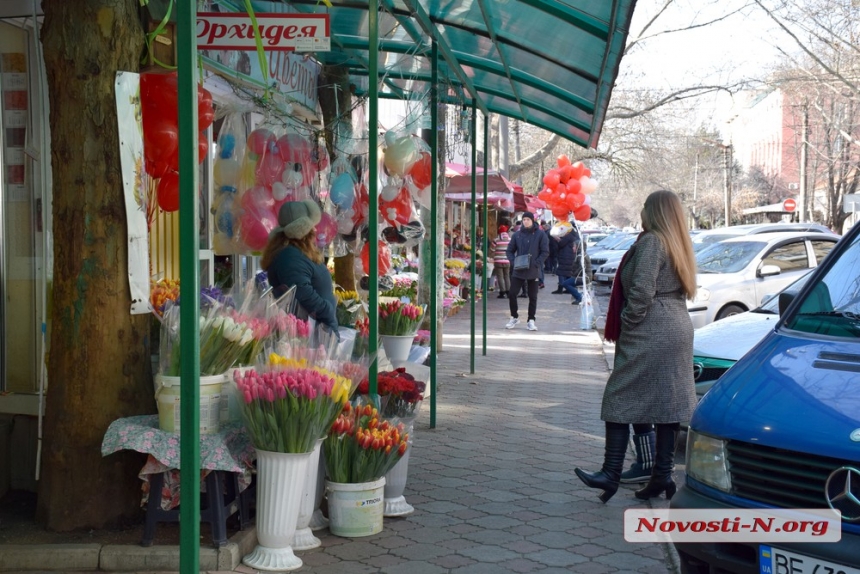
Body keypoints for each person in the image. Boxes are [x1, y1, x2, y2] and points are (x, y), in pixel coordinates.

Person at [574, 190, 697, 502]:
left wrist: (628, 321)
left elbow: (641, 290)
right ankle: (662, 477)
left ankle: (610, 474)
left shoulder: (653, 241)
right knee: (667, 406)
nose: (641, 211)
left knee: (618, 398)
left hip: (652, 329)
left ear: (653, 212)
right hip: (676, 325)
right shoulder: (677, 240)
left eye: (644, 206)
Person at [261, 199, 338, 332]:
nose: (314, 229)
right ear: (304, 231)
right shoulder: (290, 256)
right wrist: (328, 311)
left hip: (317, 328)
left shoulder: (294, 253)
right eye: (311, 226)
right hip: (314, 332)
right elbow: (303, 294)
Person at [504, 211, 549, 331]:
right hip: (518, 269)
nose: (525, 222)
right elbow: (509, 250)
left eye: (528, 219)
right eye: (524, 220)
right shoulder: (517, 235)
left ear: (532, 220)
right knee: (512, 293)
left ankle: (531, 320)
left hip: (533, 269)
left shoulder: (540, 234)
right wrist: (513, 262)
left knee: (532, 296)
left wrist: (537, 263)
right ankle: (514, 316)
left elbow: (545, 251)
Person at [554, 230, 592, 304]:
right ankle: (579, 296)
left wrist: (574, 275)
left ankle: (579, 297)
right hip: (582, 276)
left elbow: (582, 268)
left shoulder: (581, 255)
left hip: (583, 277)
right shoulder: (580, 254)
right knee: (567, 282)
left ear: (578, 247)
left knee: (565, 283)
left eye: (574, 247)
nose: (573, 248)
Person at [492, 225, 512, 298]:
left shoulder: (496, 240)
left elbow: (493, 250)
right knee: (507, 276)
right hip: (507, 260)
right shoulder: (510, 239)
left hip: (498, 260)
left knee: (500, 277)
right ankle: (508, 291)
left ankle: (502, 292)